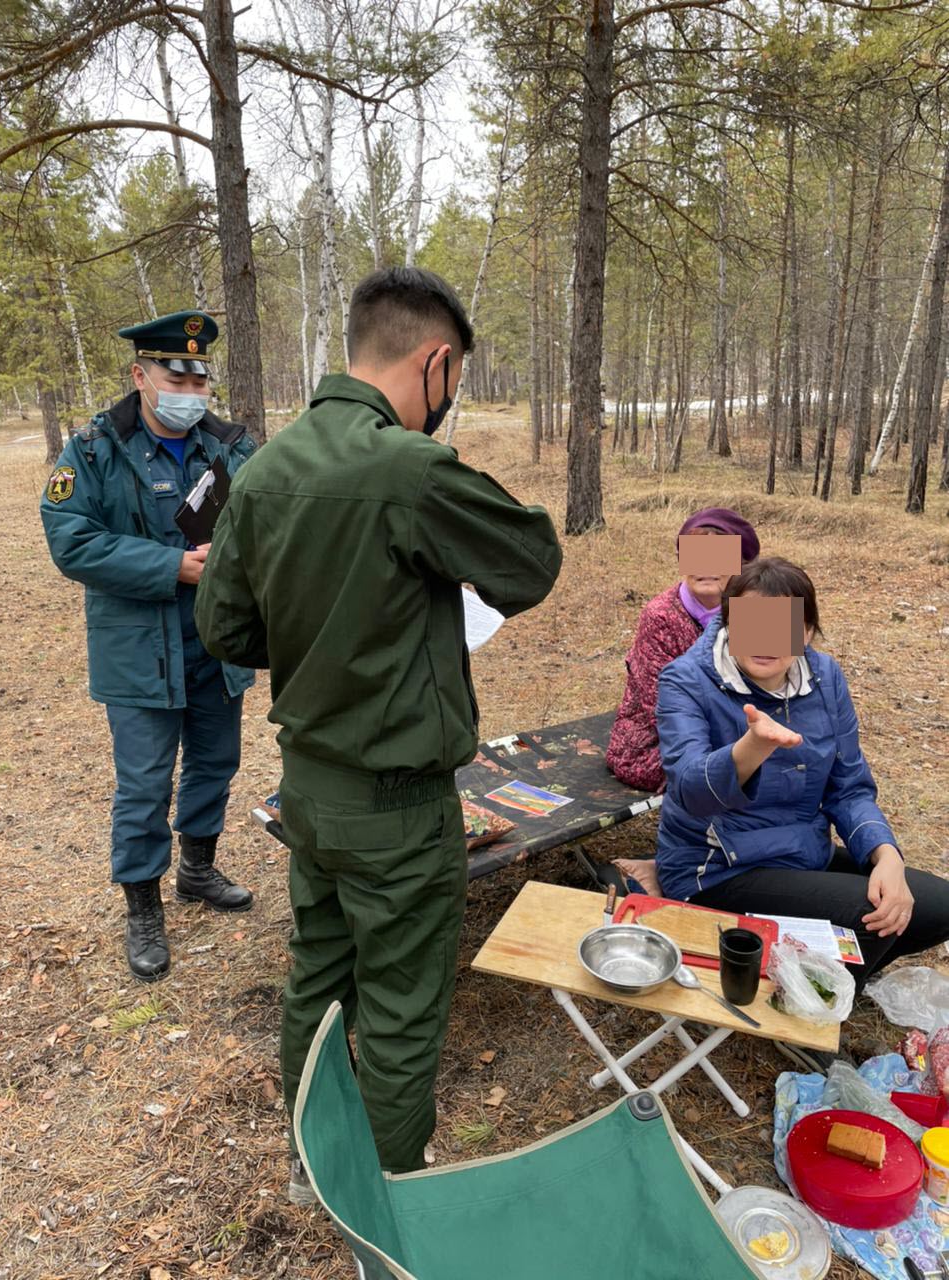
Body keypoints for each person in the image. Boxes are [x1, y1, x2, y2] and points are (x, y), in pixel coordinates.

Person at [195, 267, 562, 1196]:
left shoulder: (266, 468)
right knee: (400, 1010)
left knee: (316, 983)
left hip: (309, 793)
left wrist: (331, 625)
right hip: (399, 810)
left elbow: (227, 631)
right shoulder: (407, 467)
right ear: (436, 363)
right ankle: (389, 1198)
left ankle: (310, 1160)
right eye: (458, 381)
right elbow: (530, 562)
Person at [40, 312, 256, 984]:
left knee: (215, 764)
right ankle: (142, 906)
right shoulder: (95, 451)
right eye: (176, 372)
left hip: (217, 646)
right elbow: (71, 541)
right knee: (142, 786)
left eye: (200, 374)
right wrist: (171, 567)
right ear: (140, 376)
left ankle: (196, 869)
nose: (191, 386)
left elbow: (269, 516)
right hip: (140, 653)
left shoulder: (230, 448)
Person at [654, 556, 949, 1005]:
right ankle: (801, 1010)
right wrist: (751, 747)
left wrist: (885, 855)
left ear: (806, 632)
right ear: (729, 623)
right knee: (866, 915)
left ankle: (815, 975)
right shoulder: (687, 680)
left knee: (932, 904)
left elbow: (848, 785)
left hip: (800, 852)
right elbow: (690, 790)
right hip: (715, 866)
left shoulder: (824, 677)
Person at [601, 508, 760, 895]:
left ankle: (695, 867)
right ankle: (680, 871)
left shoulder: (757, 609)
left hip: (731, 731)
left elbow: (778, 688)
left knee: (765, 769)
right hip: (655, 743)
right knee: (727, 772)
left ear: (742, 564)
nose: (706, 567)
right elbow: (663, 706)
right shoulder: (659, 615)